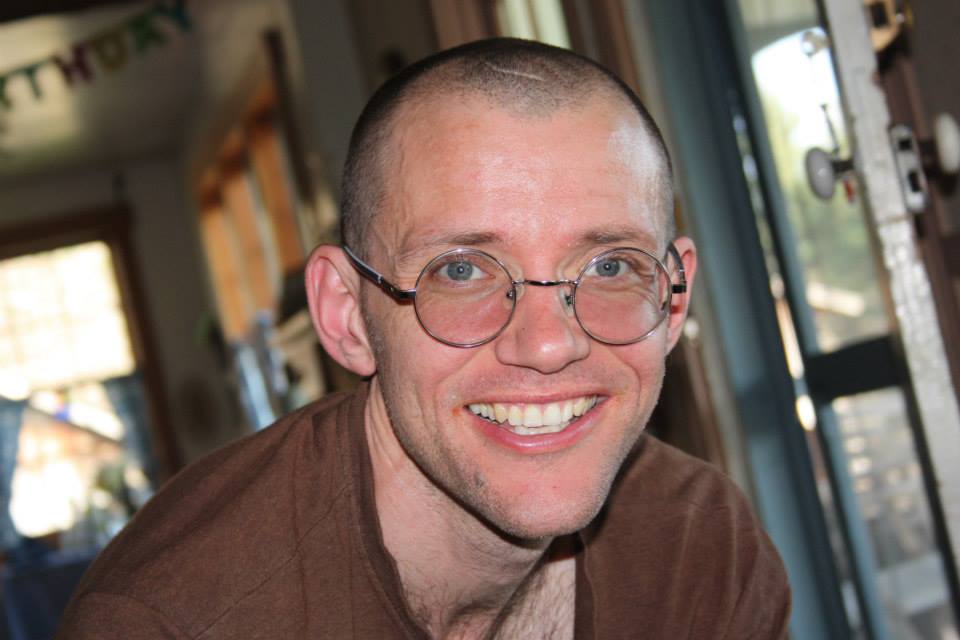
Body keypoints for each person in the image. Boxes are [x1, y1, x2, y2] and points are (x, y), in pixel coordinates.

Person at [58, 38, 790, 639]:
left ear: (672, 298)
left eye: (609, 266)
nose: (547, 345)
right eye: (461, 270)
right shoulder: (173, 621)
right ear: (347, 315)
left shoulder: (702, 548)